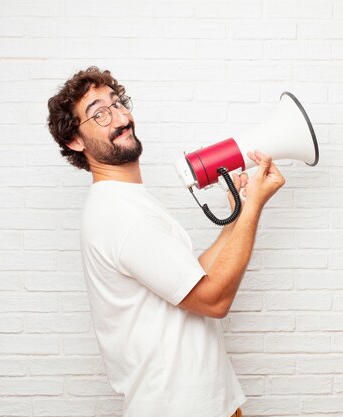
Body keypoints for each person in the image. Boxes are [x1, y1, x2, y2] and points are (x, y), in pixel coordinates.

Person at [47, 66, 285, 417]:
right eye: (99, 113)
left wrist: (240, 211)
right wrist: (255, 208)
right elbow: (214, 299)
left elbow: (191, 280)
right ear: (75, 141)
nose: (121, 117)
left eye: (118, 103)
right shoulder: (121, 215)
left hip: (205, 402)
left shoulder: (127, 201)